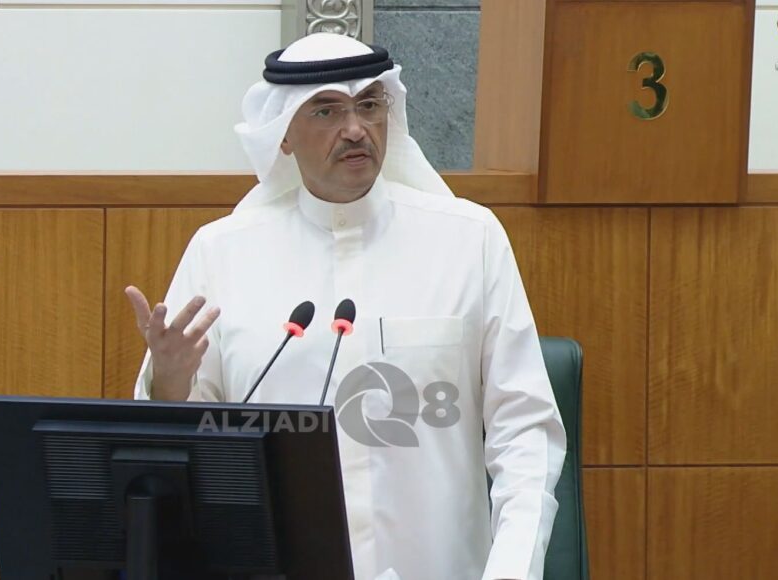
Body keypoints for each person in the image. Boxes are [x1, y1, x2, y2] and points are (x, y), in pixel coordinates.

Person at [126, 32, 565, 580]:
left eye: (369, 105)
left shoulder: (469, 240)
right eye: (327, 110)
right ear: (283, 135)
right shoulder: (221, 253)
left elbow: (525, 432)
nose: (355, 128)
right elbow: (182, 452)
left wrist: (512, 571)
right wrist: (169, 382)